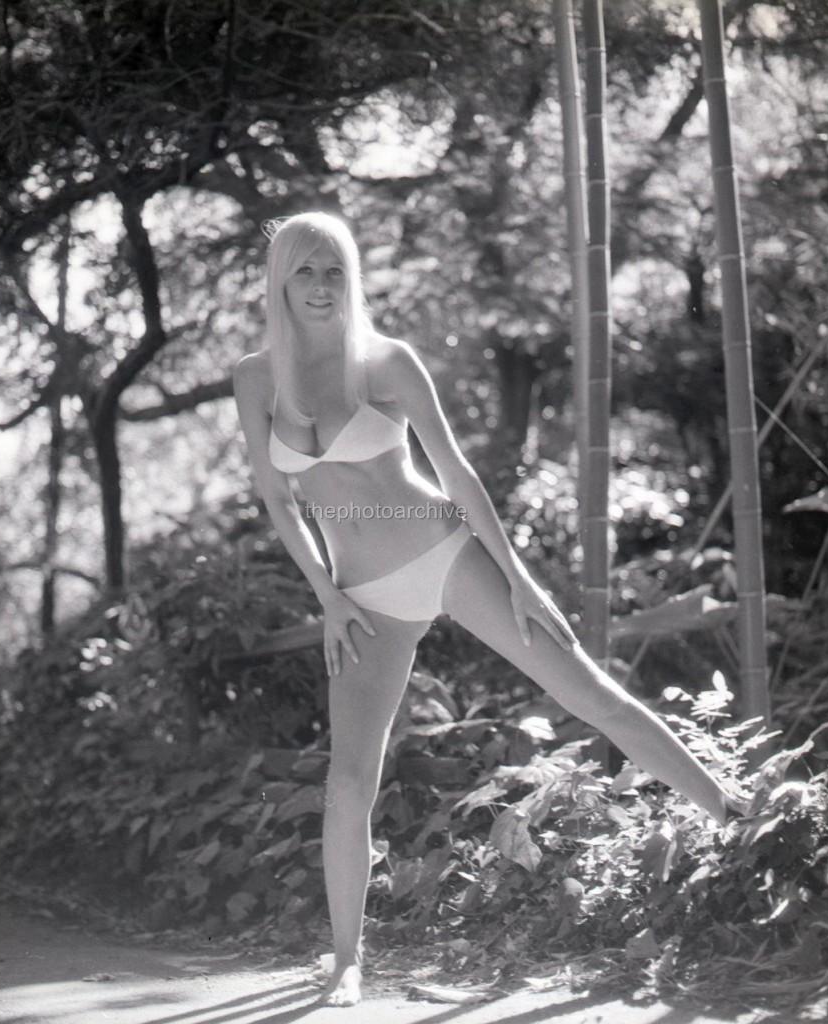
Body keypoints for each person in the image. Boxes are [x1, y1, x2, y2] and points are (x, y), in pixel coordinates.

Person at [232, 211, 740, 1007]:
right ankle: (346, 962)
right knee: (348, 780)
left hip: (444, 553)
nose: (323, 286)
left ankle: (734, 816)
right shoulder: (257, 378)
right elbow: (278, 499)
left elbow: (458, 474)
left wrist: (519, 579)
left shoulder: (386, 361)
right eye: (306, 270)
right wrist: (326, 595)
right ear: (280, 281)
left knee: (590, 694)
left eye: (336, 270)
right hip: (361, 599)